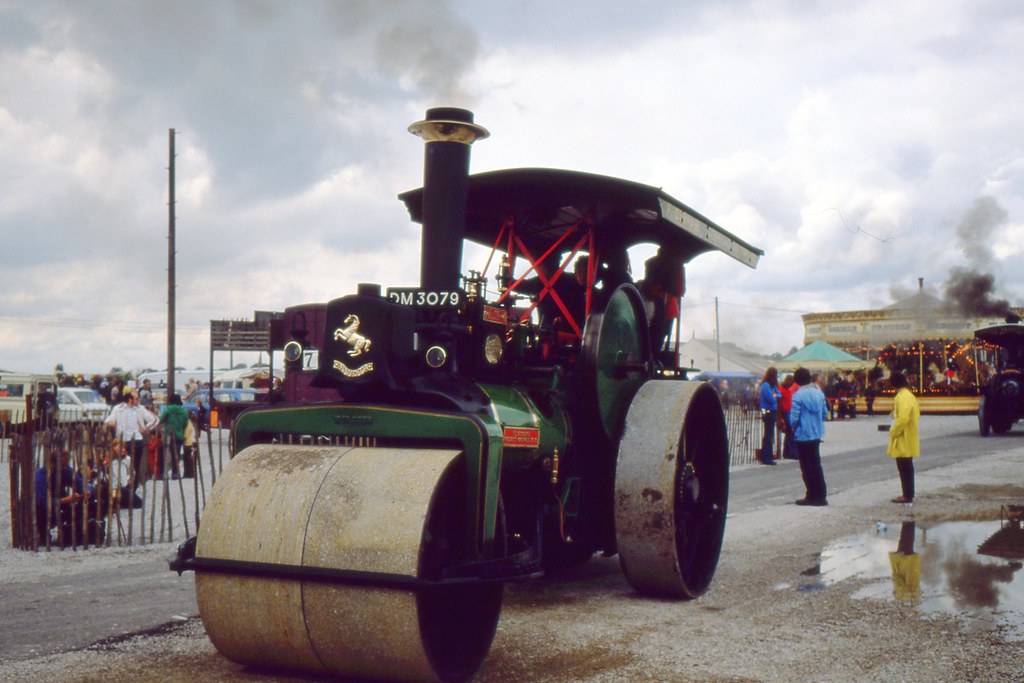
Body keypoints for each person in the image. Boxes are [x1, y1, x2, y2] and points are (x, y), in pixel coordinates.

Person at [789, 367, 829, 506]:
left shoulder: (798, 395)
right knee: (816, 464)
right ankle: (821, 495)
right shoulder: (818, 393)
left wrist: (793, 427)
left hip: (803, 434)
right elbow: (824, 413)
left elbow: (794, 417)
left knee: (806, 467)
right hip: (817, 433)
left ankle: (811, 495)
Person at [105, 389, 158, 488]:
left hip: (137, 440)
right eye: (136, 398)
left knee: (135, 465)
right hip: (123, 441)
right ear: (130, 399)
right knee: (123, 464)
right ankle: (124, 486)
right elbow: (108, 420)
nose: (139, 400)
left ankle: (134, 486)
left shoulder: (140, 409)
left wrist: (146, 429)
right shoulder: (118, 409)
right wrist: (111, 423)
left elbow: (155, 419)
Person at [887, 371, 920, 504]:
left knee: (904, 467)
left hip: (903, 436)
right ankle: (908, 493)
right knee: (906, 467)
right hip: (907, 434)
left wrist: (894, 430)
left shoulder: (903, 397)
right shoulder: (907, 395)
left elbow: (903, 418)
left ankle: (907, 494)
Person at [158, 393, 190, 480]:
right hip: (179, 435)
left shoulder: (168, 409)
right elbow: (185, 423)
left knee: (164, 455)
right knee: (176, 455)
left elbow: (161, 419)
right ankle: (175, 473)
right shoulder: (184, 411)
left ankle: (162, 473)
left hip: (168, 434)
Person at [757, 367, 780, 465]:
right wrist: (775, 396)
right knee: (768, 434)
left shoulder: (772, 385)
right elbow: (771, 399)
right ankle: (766, 456)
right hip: (767, 411)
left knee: (770, 434)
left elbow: (779, 394)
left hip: (772, 410)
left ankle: (768, 454)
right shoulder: (765, 385)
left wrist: (775, 395)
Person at [778, 373, 797, 459]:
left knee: (789, 433)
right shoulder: (781, 390)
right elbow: (779, 403)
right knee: (791, 433)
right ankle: (793, 453)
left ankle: (787, 453)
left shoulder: (786, 390)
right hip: (785, 412)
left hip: (788, 411)